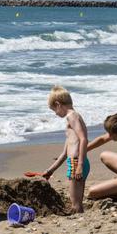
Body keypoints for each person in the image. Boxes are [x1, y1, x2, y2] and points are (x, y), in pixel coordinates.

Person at [40, 85, 89, 213]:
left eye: (54, 110)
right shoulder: (73, 119)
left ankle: (78, 220)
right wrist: (50, 170)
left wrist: (79, 165)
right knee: (77, 202)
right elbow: (64, 154)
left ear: (58, 104)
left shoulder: (72, 116)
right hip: (78, 161)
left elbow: (84, 139)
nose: (56, 114)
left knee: (75, 203)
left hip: (77, 163)